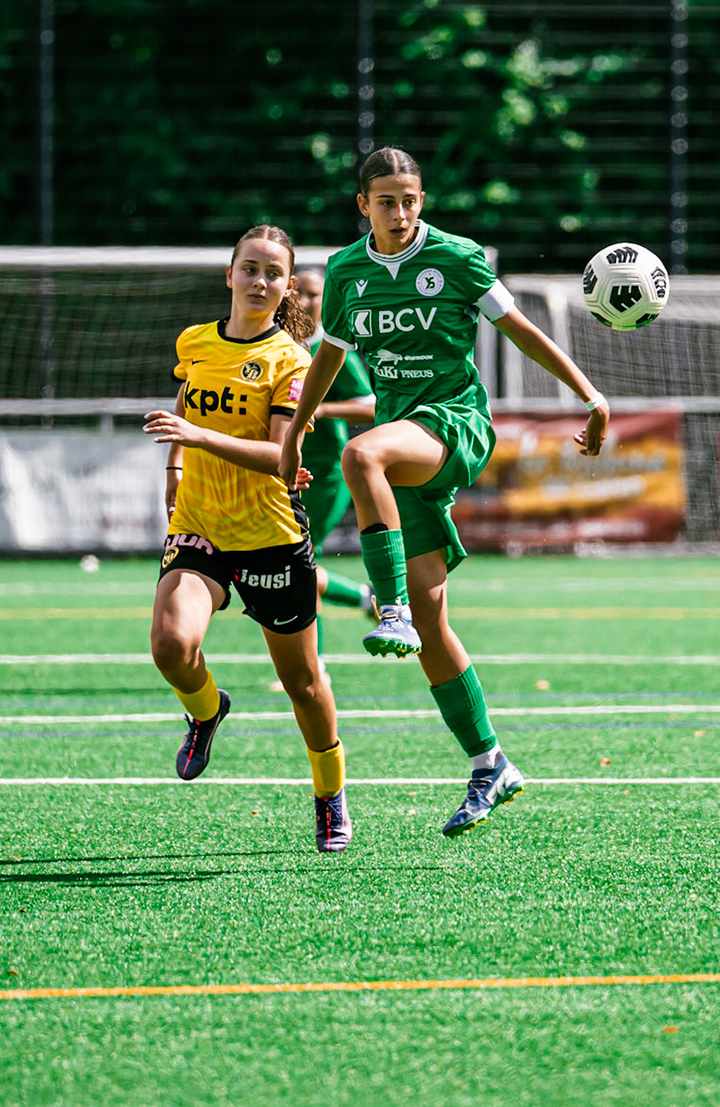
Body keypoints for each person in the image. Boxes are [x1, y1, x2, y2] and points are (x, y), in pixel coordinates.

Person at [277, 146, 611, 837]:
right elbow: (330, 356)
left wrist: (589, 396)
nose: (401, 212)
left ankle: (386, 605)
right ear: (361, 205)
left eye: (410, 198)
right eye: (387, 200)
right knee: (435, 633)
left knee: (365, 454)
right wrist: (295, 432)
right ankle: (490, 762)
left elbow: (519, 328)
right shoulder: (345, 272)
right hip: (408, 441)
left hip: (454, 424)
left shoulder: (456, 257)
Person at [142, 225, 353, 852]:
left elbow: (280, 456)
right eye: (250, 269)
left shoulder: (294, 361)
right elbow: (186, 403)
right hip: (200, 526)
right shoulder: (195, 341)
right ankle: (206, 711)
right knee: (171, 646)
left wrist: (197, 438)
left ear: (287, 286)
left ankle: (330, 795)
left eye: (273, 274)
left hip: (269, 534)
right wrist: (177, 473)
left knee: (304, 683)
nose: (260, 281)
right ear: (228, 274)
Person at [290, 264, 380, 668]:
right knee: (282, 562)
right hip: (284, 469)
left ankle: (314, 664)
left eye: (317, 294)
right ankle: (364, 598)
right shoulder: (277, 346)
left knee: (299, 561)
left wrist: (318, 408)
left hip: (324, 472)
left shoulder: (330, 348)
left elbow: (370, 404)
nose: (309, 302)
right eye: (302, 293)